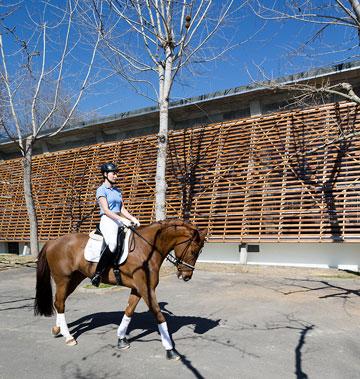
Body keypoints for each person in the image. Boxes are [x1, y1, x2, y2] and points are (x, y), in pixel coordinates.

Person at [91, 162, 140, 287]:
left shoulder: (117, 191)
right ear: (105, 174)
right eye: (114, 173)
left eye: (116, 173)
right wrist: (122, 219)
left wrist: (132, 218)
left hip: (118, 219)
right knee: (112, 244)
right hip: (107, 220)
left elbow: (122, 209)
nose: (116, 176)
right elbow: (106, 210)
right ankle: (98, 274)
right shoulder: (101, 190)